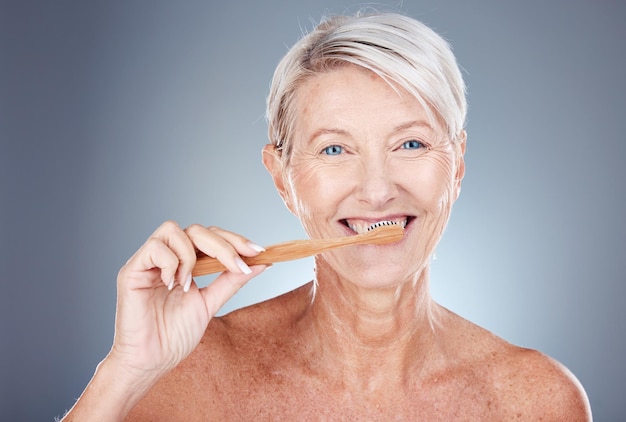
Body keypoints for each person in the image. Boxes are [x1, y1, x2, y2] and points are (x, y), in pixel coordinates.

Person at [62, 11, 591, 421]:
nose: (378, 190)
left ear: (456, 167)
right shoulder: (187, 375)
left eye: (410, 143)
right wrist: (126, 373)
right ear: (281, 178)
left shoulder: (536, 400)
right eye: (335, 150)